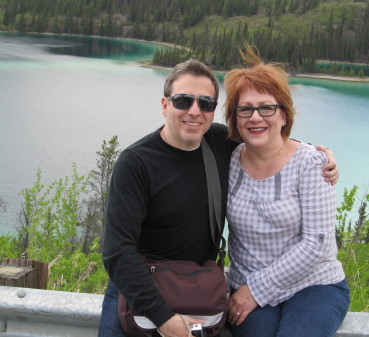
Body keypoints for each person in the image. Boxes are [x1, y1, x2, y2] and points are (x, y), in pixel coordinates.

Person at [98, 58, 339, 337]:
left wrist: (322, 157)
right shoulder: (135, 163)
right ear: (165, 105)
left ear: (214, 111)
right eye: (183, 100)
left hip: (197, 287)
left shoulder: (218, 142)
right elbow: (118, 252)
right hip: (141, 286)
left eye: (206, 103)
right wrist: (162, 317)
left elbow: (271, 138)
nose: (194, 111)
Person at [223, 45, 350, 337]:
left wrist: (254, 291)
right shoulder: (227, 159)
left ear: (283, 114)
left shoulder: (310, 163)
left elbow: (316, 244)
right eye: (245, 109)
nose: (255, 117)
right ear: (235, 117)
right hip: (246, 283)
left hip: (313, 285)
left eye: (267, 107)